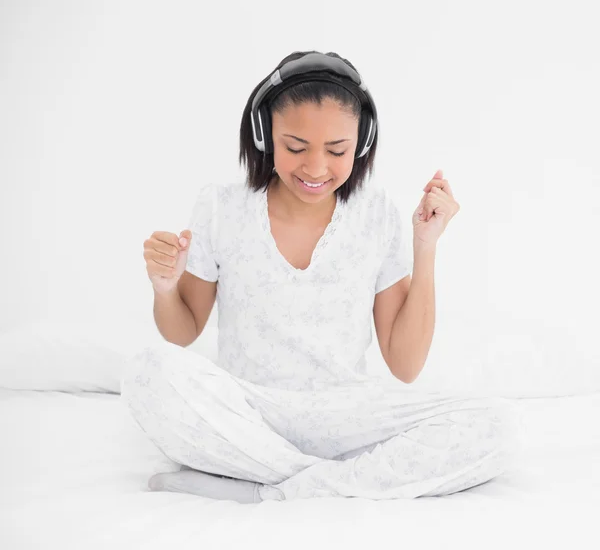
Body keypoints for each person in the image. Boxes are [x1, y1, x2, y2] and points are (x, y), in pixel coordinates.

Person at [121, 50, 523, 504]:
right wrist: (165, 287)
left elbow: (405, 366)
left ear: (362, 143)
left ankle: (266, 486)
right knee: (147, 372)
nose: (315, 169)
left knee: (499, 424)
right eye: (295, 147)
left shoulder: (377, 213)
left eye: (337, 151)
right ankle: (331, 482)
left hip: (348, 415)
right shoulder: (221, 208)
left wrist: (425, 245)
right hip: (250, 409)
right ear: (264, 134)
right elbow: (181, 332)